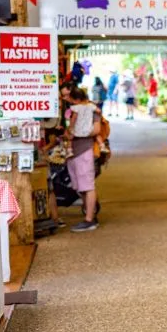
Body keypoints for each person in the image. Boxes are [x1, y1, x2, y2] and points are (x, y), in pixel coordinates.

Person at [62, 85, 101, 232]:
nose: (66, 99)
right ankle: (89, 214)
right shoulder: (72, 111)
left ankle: (90, 219)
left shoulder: (91, 109)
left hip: (85, 149)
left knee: (88, 185)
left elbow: (96, 130)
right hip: (73, 152)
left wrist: (77, 132)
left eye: (68, 97)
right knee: (79, 186)